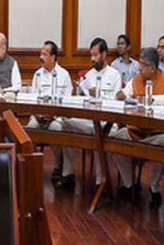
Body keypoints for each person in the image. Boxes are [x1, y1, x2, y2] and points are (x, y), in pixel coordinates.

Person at [113, 47, 164, 203]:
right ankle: (130, 184)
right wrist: (120, 95)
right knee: (115, 139)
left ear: (153, 68)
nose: (139, 68)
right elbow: (124, 93)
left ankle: (154, 186)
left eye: (142, 65)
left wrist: (149, 99)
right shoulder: (136, 79)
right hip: (135, 130)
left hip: (157, 133)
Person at [57, 38, 122, 191]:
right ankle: (68, 173)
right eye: (91, 55)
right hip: (89, 120)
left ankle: (101, 183)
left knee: (99, 134)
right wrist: (82, 93)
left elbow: (117, 102)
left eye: (96, 55)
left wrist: (99, 94)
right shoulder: (89, 75)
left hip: (107, 122)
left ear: (104, 54)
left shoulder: (115, 75)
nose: (92, 59)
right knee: (66, 126)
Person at [25, 41, 72, 182]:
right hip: (38, 115)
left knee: (55, 129)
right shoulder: (38, 75)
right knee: (30, 128)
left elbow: (67, 101)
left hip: (57, 117)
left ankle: (58, 164)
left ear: (53, 57)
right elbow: (32, 99)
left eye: (44, 55)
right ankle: (32, 164)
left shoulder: (64, 75)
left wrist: (53, 115)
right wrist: (38, 114)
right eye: (41, 54)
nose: (41, 57)